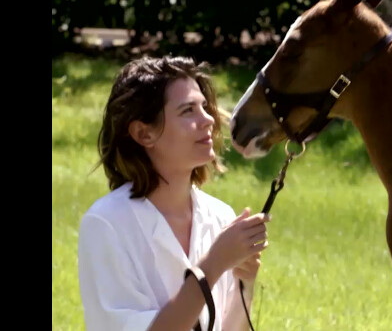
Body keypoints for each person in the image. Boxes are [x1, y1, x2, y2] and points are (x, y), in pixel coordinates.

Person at [78, 55, 271, 331]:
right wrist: (214, 264)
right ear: (144, 134)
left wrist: (244, 283)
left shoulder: (219, 216)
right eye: (187, 111)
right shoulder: (106, 224)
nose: (208, 120)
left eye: (204, 107)